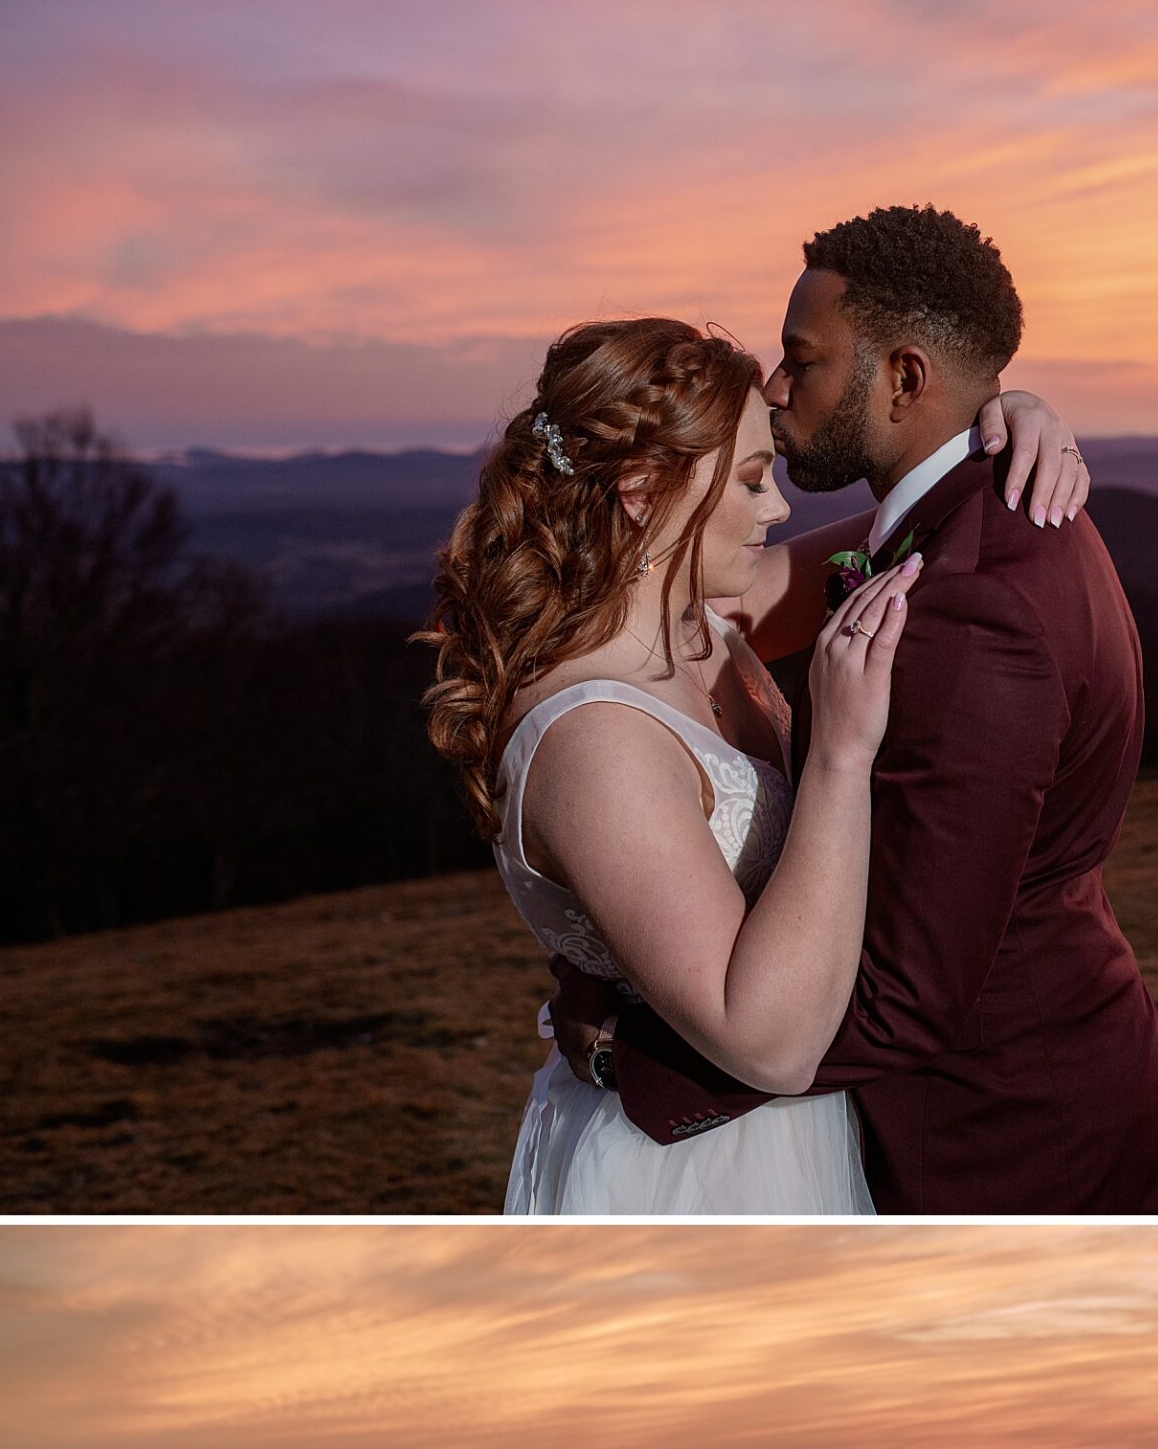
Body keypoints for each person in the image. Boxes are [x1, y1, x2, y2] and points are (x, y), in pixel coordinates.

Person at [554, 204, 1158, 1215]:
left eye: (803, 360)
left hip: (1010, 1152)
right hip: (1044, 1103)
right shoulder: (976, 522)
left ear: (904, 377)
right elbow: (746, 590)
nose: (776, 392)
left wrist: (629, 1056)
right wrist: (1003, 419)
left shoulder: (973, 606)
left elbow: (907, 996)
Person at [421, 311, 1082, 1213]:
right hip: (689, 1178)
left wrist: (1001, 429)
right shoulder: (594, 742)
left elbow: (918, 526)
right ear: (643, 487)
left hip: (793, 1140)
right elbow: (768, 1043)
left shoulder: (709, 626)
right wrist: (840, 759)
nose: (777, 508)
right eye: (752, 479)